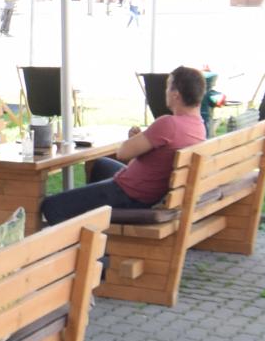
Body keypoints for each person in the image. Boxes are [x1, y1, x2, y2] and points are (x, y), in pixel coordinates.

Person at [41, 65, 208, 226]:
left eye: (168, 86)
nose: (165, 91)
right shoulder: (199, 126)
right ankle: (95, 224)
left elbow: (123, 153)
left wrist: (136, 140)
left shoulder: (168, 124)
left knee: (52, 206)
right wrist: (140, 140)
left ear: (176, 95)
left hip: (131, 195)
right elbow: (160, 151)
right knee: (100, 165)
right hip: (148, 189)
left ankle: (81, 235)